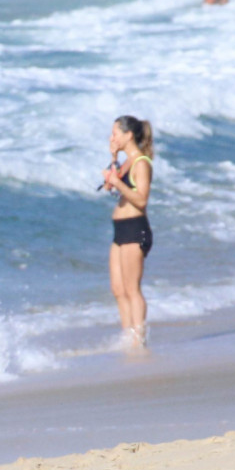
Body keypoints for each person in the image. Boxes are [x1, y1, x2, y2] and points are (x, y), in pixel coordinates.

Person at [101, 116, 155, 348]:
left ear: (128, 135)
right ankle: (127, 336)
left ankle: (139, 340)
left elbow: (141, 200)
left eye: (115, 133)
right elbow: (110, 188)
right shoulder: (125, 162)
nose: (111, 137)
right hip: (120, 230)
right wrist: (113, 160)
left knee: (132, 289)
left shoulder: (141, 163)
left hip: (135, 228)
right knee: (118, 289)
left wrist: (118, 183)